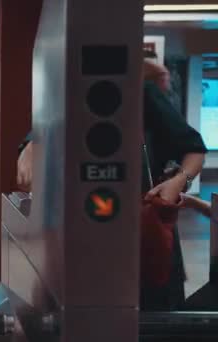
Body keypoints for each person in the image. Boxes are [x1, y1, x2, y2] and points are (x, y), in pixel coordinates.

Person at [17, 57, 208, 310]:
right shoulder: (65, 99)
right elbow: (35, 151)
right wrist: (31, 146)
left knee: (150, 310)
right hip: (83, 239)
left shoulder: (142, 95)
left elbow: (194, 148)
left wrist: (177, 183)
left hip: (142, 230)